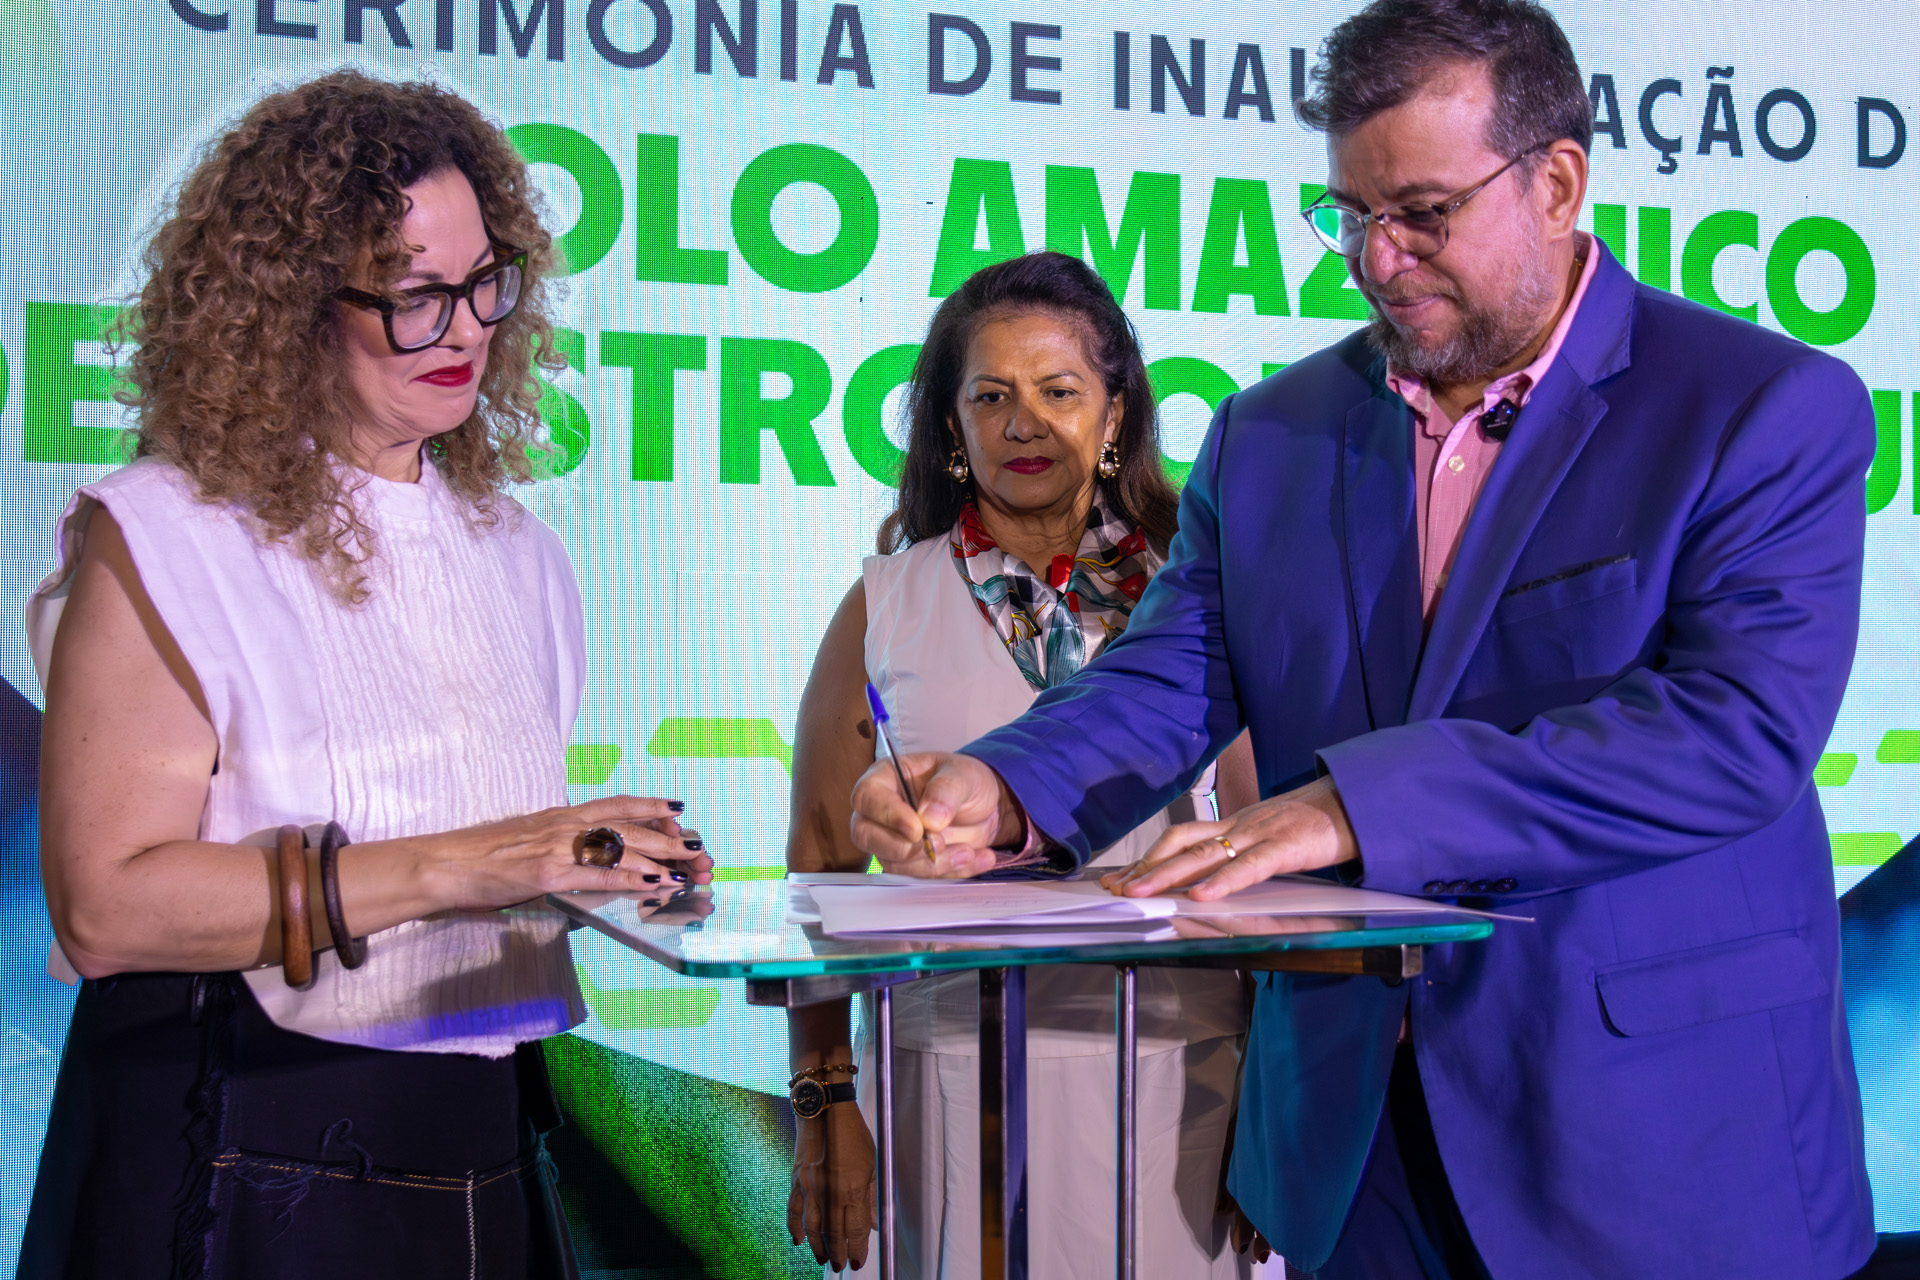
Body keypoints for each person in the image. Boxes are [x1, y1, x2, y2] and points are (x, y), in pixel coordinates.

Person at [845, 2, 1878, 1277]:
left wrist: (1349, 807)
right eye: (1350, 214)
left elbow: (1735, 735)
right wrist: (1002, 786)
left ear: (1558, 184)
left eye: (1423, 213)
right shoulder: (1270, 431)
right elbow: (1173, 672)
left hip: (1655, 1142)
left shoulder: (1761, 407)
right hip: (1352, 1149)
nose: (1378, 260)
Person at [20, 71, 712, 1279]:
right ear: (288, 307)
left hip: (490, 1148)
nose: (468, 329)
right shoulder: (166, 532)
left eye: (486, 283)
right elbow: (105, 904)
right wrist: (478, 860)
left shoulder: (522, 553)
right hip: (237, 1155)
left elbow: (481, 880)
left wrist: (598, 870)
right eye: (414, 296)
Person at [784, 251, 1259, 1278]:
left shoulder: (1206, 596)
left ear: (1116, 413)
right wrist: (824, 1098)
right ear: (950, 426)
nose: (1023, 423)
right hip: (950, 1074)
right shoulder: (884, 600)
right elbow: (819, 867)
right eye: (990, 396)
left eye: (1059, 392)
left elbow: (1267, 848)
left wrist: (1278, 1106)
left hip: (1184, 1074)